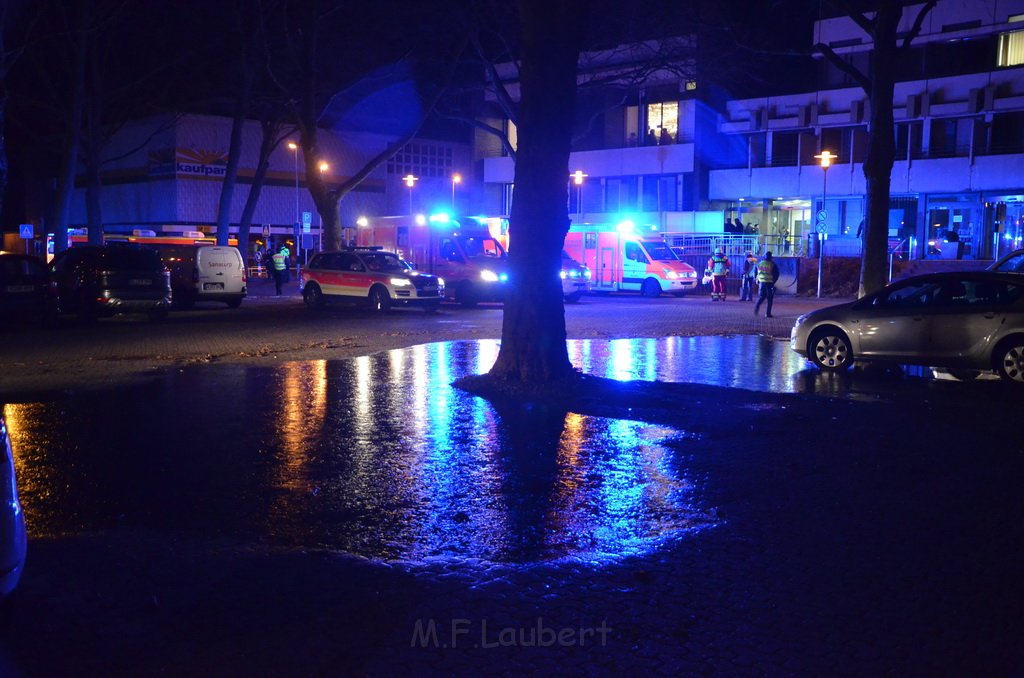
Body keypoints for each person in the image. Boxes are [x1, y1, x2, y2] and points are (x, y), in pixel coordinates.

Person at [754, 250, 780, 318]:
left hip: (761, 283)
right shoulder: (772, 264)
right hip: (769, 283)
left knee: (761, 297)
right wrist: (773, 281)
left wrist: (757, 280)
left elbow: (755, 272)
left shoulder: (760, 263)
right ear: (771, 257)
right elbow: (776, 274)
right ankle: (768, 314)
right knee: (770, 298)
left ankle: (756, 307)